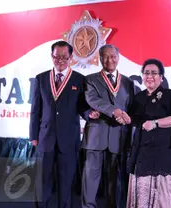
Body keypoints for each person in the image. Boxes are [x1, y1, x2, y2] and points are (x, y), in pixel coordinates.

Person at [29, 40, 96, 208]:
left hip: (69, 140)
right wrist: (33, 136)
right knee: (42, 183)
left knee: (66, 184)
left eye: (64, 57)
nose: (60, 60)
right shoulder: (41, 78)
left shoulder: (79, 79)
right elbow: (36, 110)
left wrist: (89, 114)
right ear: (51, 56)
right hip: (45, 138)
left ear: (71, 57)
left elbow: (82, 105)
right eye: (56, 57)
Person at [81, 44, 135, 208]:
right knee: (90, 178)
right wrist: (116, 112)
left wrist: (126, 118)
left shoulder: (127, 82)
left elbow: (130, 107)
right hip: (96, 136)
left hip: (118, 136)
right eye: (105, 56)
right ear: (99, 59)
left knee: (115, 179)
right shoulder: (90, 79)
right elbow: (93, 100)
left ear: (118, 58)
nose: (109, 60)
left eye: (113, 56)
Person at [126, 58, 171, 208]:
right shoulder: (138, 97)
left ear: (161, 77)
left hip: (163, 152)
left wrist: (155, 123)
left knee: (161, 198)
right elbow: (133, 119)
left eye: (154, 73)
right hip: (141, 153)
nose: (149, 76)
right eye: (146, 73)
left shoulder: (170, 95)